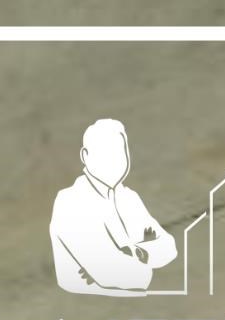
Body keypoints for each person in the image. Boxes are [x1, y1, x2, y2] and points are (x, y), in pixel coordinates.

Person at [50, 118, 179, 294]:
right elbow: (115, 275)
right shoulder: (70, 202)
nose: (114, 160)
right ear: (85, 156)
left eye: (119, 152)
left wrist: (138, 253)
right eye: (105, 153)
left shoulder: (129, 198)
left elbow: (169, 247)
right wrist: (146, 257)